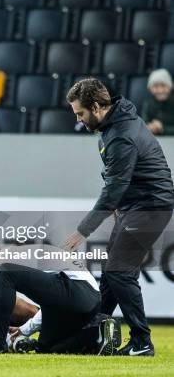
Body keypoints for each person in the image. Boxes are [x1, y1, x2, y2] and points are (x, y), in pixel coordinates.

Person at [63, 78, 174, 356]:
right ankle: (90, 335)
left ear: (98, 107)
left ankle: (142, 342)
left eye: (80, 113)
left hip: (149, 207)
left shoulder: (121, 134)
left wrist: (82, 231)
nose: (78, 119)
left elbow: (114, 187)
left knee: (119, 272)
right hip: (137, 205)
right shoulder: (115, 124)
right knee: (111, 276)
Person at [0, 243, 120, 355]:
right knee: (45, 348)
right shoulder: (22, 255)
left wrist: (0, 338)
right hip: (86, 300)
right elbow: (52, 299)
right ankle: (97, 334)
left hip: (78, 291)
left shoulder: (1, 262)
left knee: (3, 272)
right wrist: (24, 330)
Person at [142, 69, 174, 136]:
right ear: (150, 89)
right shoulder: (148, 104)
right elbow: (143, 125)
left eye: (163, 85)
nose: (160, 90)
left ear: (170, 87)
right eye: (156, 86)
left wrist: (163, 129)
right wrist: (150, 127)